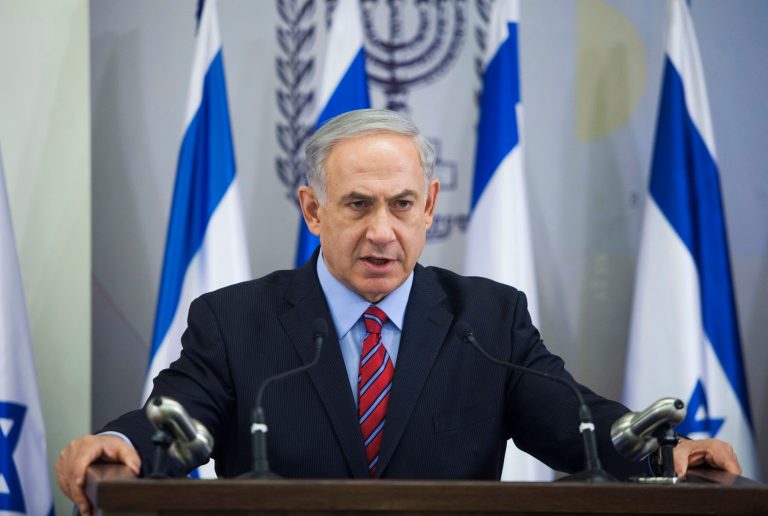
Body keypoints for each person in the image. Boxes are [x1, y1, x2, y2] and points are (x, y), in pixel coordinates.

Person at [56, 109, 741, 514]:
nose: (382, 231)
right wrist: (123, 445)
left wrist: (666, 452)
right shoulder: (235, 320)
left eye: (402, 205)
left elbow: (576, 423)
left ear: (429, 205)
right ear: (313, 210)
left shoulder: (488, 319)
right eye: (358, 205)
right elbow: (179, 415)